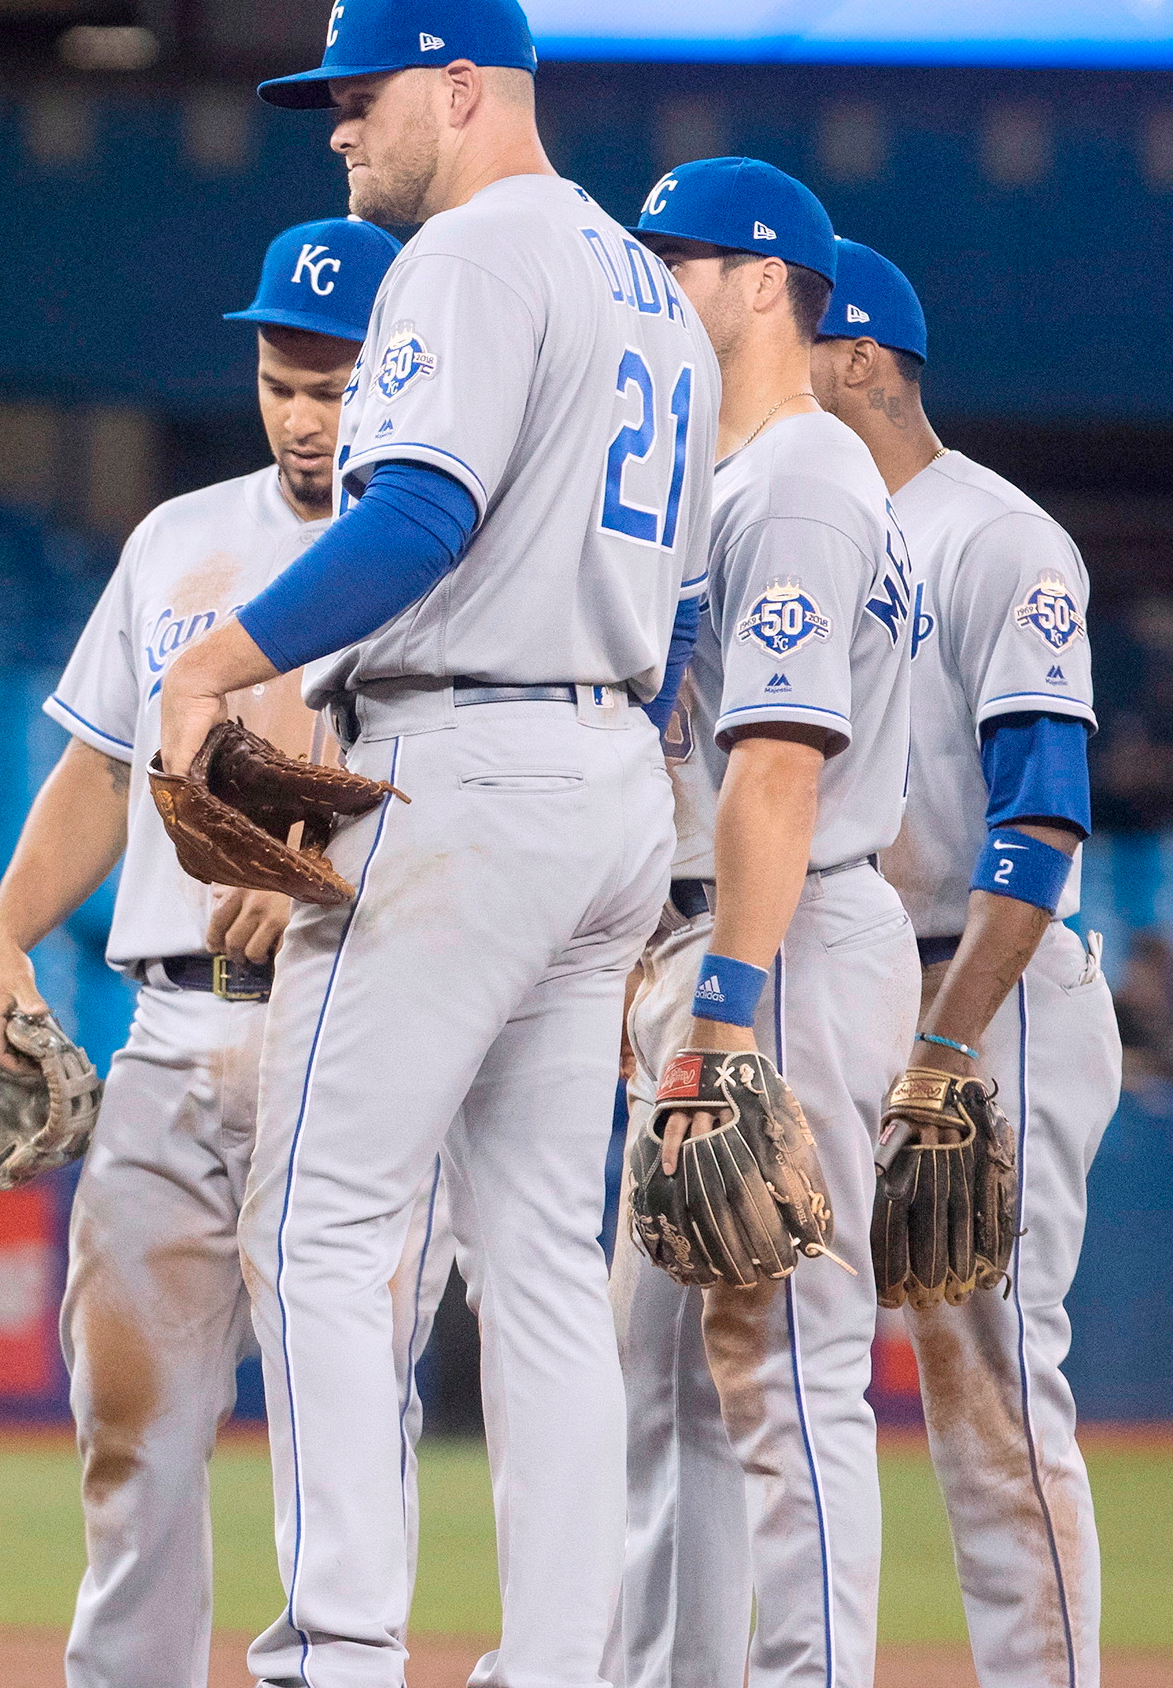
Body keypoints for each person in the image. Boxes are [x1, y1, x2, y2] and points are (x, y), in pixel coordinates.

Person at [147, 0, 715, 1678]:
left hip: (468, 767)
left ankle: (336, 1652)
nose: (336, 128)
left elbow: (418, 510)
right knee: (540, 1255)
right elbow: (677, 622)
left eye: (360, 94)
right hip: (607, 773)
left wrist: (216, 660)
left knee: (320, 1217)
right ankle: (558, 1665)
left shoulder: (464, 260)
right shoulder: (649, 295)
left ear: (460, 87)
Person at [0, 217, 451, 1688]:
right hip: (172, 1032)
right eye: (280, 379)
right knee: (130, 1430)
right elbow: (100, 772)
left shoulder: (453, 548)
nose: (306, 414)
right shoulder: (179, 539)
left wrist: (327, 868)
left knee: (346, 1415)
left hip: (357, 1026)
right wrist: (2, 937)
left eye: (337, 381)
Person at [611, 160, 917, 1688]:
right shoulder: (726, 477)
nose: (657, 280)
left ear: (762, 282)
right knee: (662, 1373)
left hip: (774, 944)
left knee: (784, 1355)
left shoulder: (797, 475)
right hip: (721, 939)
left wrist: (726, 1001)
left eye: (682, 258)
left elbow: (782, 767)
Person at [822, 235, 1114, 1688]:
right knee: (763, 1347)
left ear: (862, 358)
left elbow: (1041, 818)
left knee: (986, 1370)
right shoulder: (791, 524)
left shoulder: (992, 536)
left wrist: (944, 1044)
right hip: (848, 968)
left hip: (984, 987)